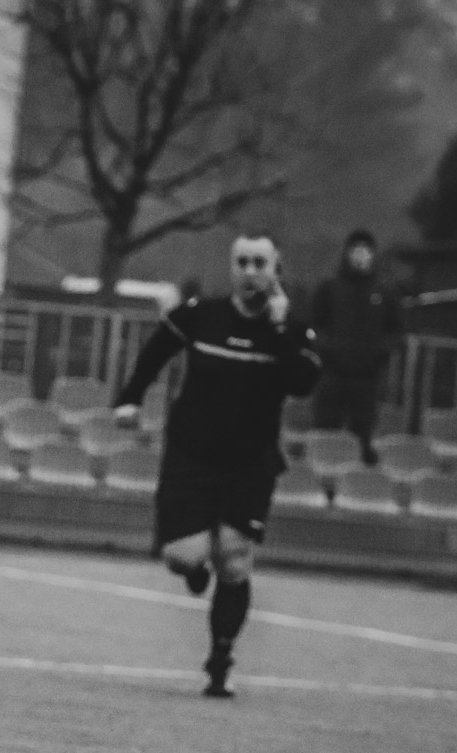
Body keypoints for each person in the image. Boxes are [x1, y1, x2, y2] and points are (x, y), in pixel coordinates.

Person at [113, 234, 321, 698]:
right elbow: (157, 349)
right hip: (191, 455)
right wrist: (130, 397)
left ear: (276, 270)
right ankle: (194, 568)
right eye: (242, 262)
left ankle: (220, 659)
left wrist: (280, 328)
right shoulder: (202, 315)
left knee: (234, 557)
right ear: (232, 268)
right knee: (182, 557)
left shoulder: (291, 330)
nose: (251, 271)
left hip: (250, 463)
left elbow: (302, 382)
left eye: (260, 263)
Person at [309, 228, 402, 465]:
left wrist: (380, 353)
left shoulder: (384, 292)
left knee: (361, 436)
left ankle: (357, 480)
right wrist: (327, 349)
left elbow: (394, 330)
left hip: (367, 377)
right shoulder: (330, 288)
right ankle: (323, 477)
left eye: (366, 251)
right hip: (332, 374)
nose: (361, 256)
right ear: (348, 254)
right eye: (356, 251)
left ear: (373, 255)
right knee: (326, 431)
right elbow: (315, 324)